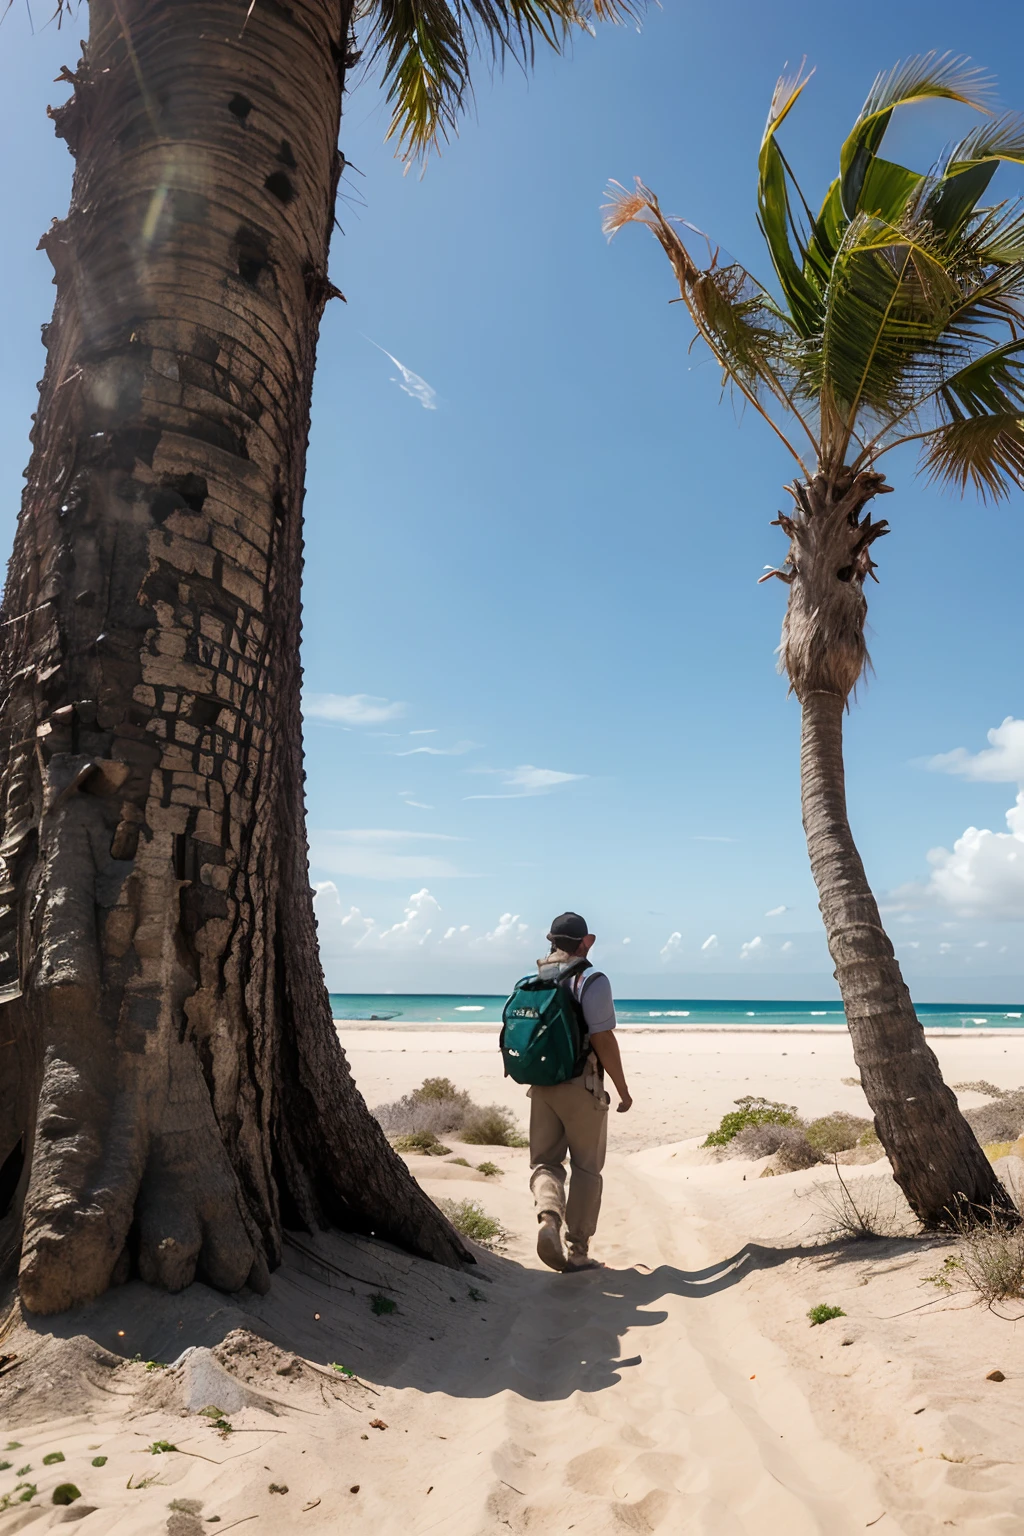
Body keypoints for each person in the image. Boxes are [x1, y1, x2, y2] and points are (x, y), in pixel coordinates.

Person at [528, 911, 631, 1272]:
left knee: (545, 1163)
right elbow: (602, 1038)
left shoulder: (535, 979)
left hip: (541, 1087)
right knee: (587, 1168)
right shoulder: (591, 979)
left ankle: (548, 1219)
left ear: (551, 941)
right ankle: (578, 1250)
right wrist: (622, 1089)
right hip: (582, 1086)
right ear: (587, 942)